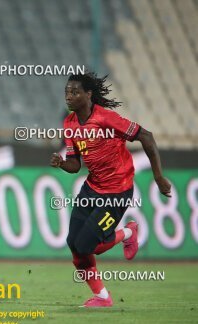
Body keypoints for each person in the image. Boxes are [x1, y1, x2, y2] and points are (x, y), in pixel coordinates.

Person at [50, 72, 171, 307]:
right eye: (67, 92)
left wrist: (158, 176)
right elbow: (76, 165)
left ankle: (127, 233)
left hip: (116, 191)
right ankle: (103, 297)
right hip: (91, 188)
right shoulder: (69, 124)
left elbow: (146, 136)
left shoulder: (106, 119)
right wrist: (62, 163)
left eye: (75, 92)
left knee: (87, 245)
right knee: (74, 246)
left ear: (88, 95)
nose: (69, 96)